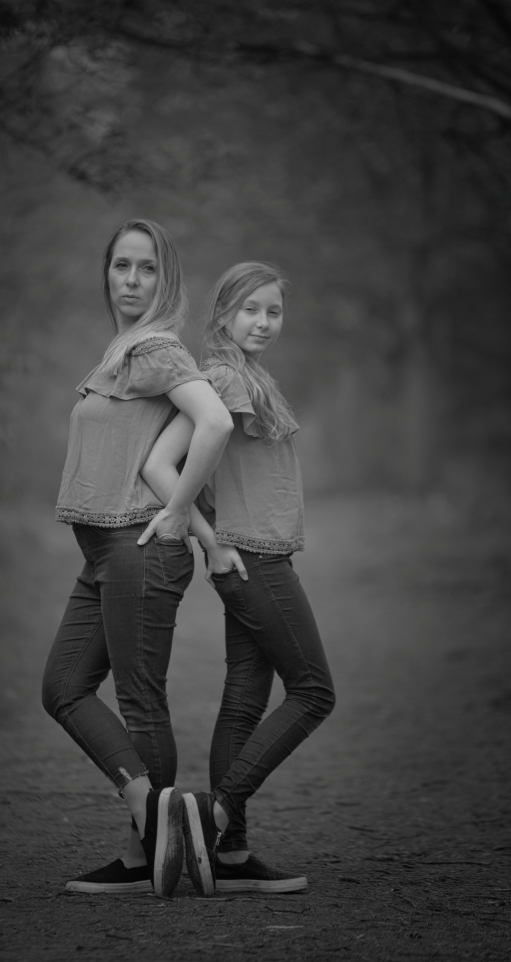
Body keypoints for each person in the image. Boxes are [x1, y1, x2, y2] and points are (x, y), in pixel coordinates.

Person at [42, 220, 233, 898]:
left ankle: (146, 836)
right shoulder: (122, 350)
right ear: (107, 272)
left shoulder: (154, 348)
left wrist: (179, 509)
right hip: (104, 549)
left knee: (138, 701)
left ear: (166, 279)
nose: (131, 279)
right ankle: (151, 827)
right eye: (121, 265)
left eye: (146, 268)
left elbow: (214, 421)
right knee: (63, 687)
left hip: (136, 547)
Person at [141, 261, 336, 896]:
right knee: (314, 692)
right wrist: (210, 540)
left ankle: (229, 854)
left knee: (246, 701)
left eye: (274, 311)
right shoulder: (223, 378)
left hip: (259, 557)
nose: (264, 321)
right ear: (223, 315)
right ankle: (214, 816)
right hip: (252, 562)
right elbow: (159, 465)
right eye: (250, 309)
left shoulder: (249, 375)